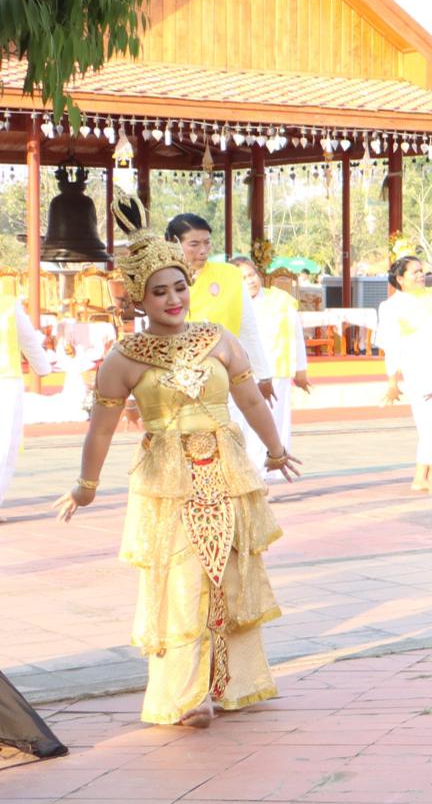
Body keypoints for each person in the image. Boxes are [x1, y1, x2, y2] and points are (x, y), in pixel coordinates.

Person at [53, 198, 303, 725]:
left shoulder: (219, 339)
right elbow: (100, 427)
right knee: (184, 577)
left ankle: (231, 684)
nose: (173, 299)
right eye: (159, 291)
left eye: (179, 287)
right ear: (139, 298)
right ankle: (188, 695)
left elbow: (252, 401)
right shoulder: (124, 358)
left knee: (228, 575)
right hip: (169, 481)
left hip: (224, 472)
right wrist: (85, 486)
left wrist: (276, 450)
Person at [167, 214, 276, 409]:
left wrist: (263, 375)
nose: (203, 250)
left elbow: (248, 328)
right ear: (174, 243)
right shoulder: (160, 278)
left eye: (207, 243)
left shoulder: (230, 276)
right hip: (173, 379)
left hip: (223, 376)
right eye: (194, 244)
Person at [378, 251, 432, 495]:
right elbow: (391, 346)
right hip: (418, 367)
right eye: (415, 272)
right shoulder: (391, 306)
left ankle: (420, 475)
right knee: (429, 420)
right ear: (400, 279)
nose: (421, 275)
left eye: (422, 271)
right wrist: (392, 380)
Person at [238, 252, 312, 483]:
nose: (251, 280)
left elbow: (296, 335)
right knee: (243, 427)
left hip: (275, 370)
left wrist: (300, 370)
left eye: (252, 274)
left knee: (270, 424)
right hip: (242, 374)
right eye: (243, 278)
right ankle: (247, 475)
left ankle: (260, 476)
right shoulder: (232, 304)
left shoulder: (280, 300)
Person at [0, 296, 58, 519]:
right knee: (4, 445)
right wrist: (43, 368)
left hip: (6, 381)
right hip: (5, 382)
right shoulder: (7, 303)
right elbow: (29, 340)